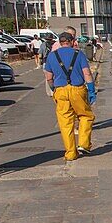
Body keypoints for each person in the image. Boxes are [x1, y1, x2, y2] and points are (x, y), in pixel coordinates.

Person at [43, 28, 96, 162]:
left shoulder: (52, 56)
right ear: (72, 42)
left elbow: (49, 77)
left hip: (60, 89)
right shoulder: (79, 54)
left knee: (65, 122)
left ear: (60, 42)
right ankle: (83, 144)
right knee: (85, 116)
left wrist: (53, 88)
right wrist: (91, 90)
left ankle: (71, 153)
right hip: (77, 89)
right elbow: (87, 74)